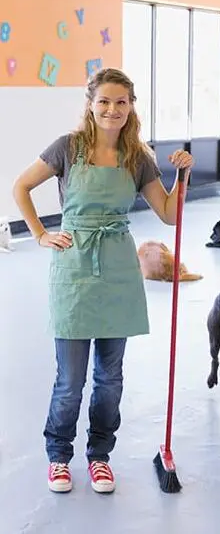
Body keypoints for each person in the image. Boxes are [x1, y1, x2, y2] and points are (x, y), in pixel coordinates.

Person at [12, 68, 194, 494]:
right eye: (105, 102)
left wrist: (182, 176)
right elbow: (21, 186)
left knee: (110, 378)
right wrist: (40, 233)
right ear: (91, 105)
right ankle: (59, 457)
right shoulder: (68, 148)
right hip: (73, 268)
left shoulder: (138, 157)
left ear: (132, 108)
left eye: (122, 102)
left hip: (117, 270)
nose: (113, 110)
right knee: (70, 380)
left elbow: (169, 213)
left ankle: (99, 457)